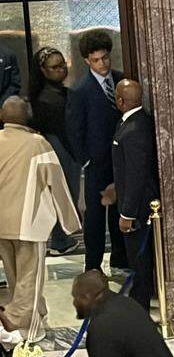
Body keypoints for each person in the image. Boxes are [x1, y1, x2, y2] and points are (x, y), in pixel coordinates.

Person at [0, 97, 80, 341]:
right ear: (28, 116)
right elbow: (57, 184)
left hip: (2, 224)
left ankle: (36, 312)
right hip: (29, 223)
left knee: (15, 277)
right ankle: (22, 327)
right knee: (29, 278)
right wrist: (71, 223)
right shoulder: (38, 144)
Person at [66, 29, 127, 272]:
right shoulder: (80, 91)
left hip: (120, 160)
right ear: (86, 61)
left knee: (120, 210)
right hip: (97, 162)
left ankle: (120, 258)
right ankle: (93, 264)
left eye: (105, 58)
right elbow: (74, 130)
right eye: (96, 60)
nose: (102, 64)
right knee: (95, 216)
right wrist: (86, 160)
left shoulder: (121, 80)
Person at [27, 46, 81, 255]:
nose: (61, 70)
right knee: (66, 192)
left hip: (62, 148)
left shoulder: (57, 93)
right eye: (54, 67)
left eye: (62, 65)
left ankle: (61, 237)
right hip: (61, 149)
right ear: (43, 70)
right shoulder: (48, 98)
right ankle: (59, 239)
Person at [111, 80, 159, 309]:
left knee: (139, 257)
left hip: (138, 207)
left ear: (120, 100)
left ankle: (140, 304)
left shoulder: (133, 130)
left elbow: (136, 175)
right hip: (133, 200)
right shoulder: (135, 121)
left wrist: (127, 213)